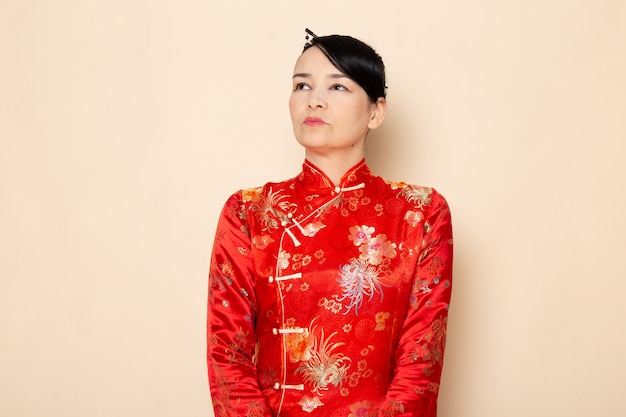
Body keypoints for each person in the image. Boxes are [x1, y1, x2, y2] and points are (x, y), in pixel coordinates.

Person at [207, 29, 453, 417]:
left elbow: (421, 358)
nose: (315, 100)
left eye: (337, 87)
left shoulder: (419, 212)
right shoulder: (248, 211)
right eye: (301, 85)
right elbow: (227, 351)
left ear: (376, 112)